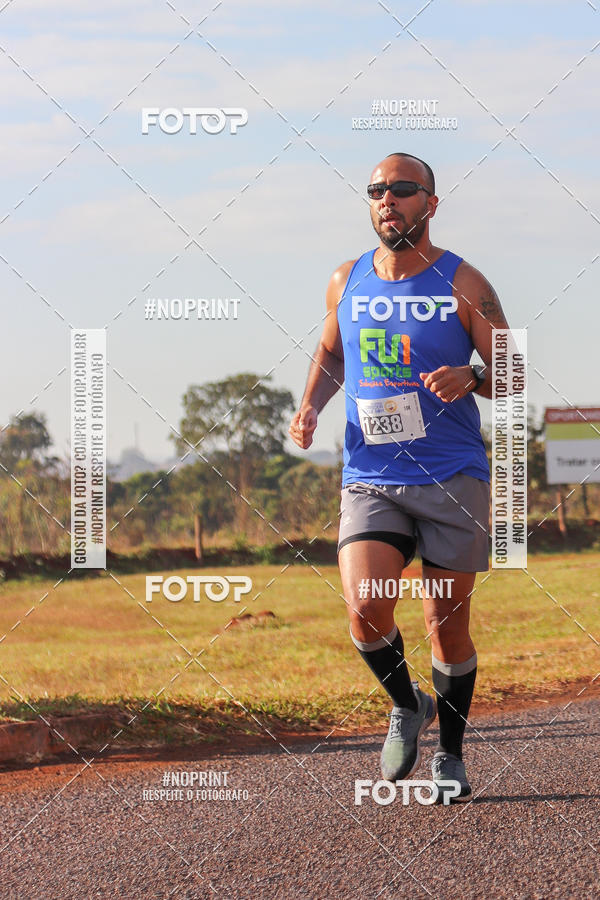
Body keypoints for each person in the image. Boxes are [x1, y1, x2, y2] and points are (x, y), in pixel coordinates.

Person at [289, 152, 510, 803]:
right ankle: (406, 702)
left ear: (431, 204)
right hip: (371, 476)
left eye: (403, 189)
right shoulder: (345, 280)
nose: (388, 199)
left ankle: (450, 754)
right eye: (377, 190)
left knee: (446, 625)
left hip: (452, 475)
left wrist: (472, 375)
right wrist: (310, 405)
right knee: (364, 608)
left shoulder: (462, 281)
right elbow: (331, 353)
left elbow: (513, 372)